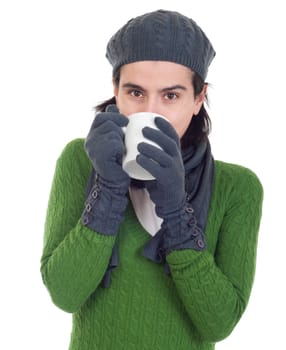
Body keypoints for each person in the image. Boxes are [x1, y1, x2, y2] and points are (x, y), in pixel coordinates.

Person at [40, 9, 263, 350]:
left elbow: (218, 323)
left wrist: (176, 210)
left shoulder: (238, 187)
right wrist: (108, 188)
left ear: (198, 98)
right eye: (136, 93)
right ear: (116, 90)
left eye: (171, 96)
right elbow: (65, 294)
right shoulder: (80, 160)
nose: (151, 111)